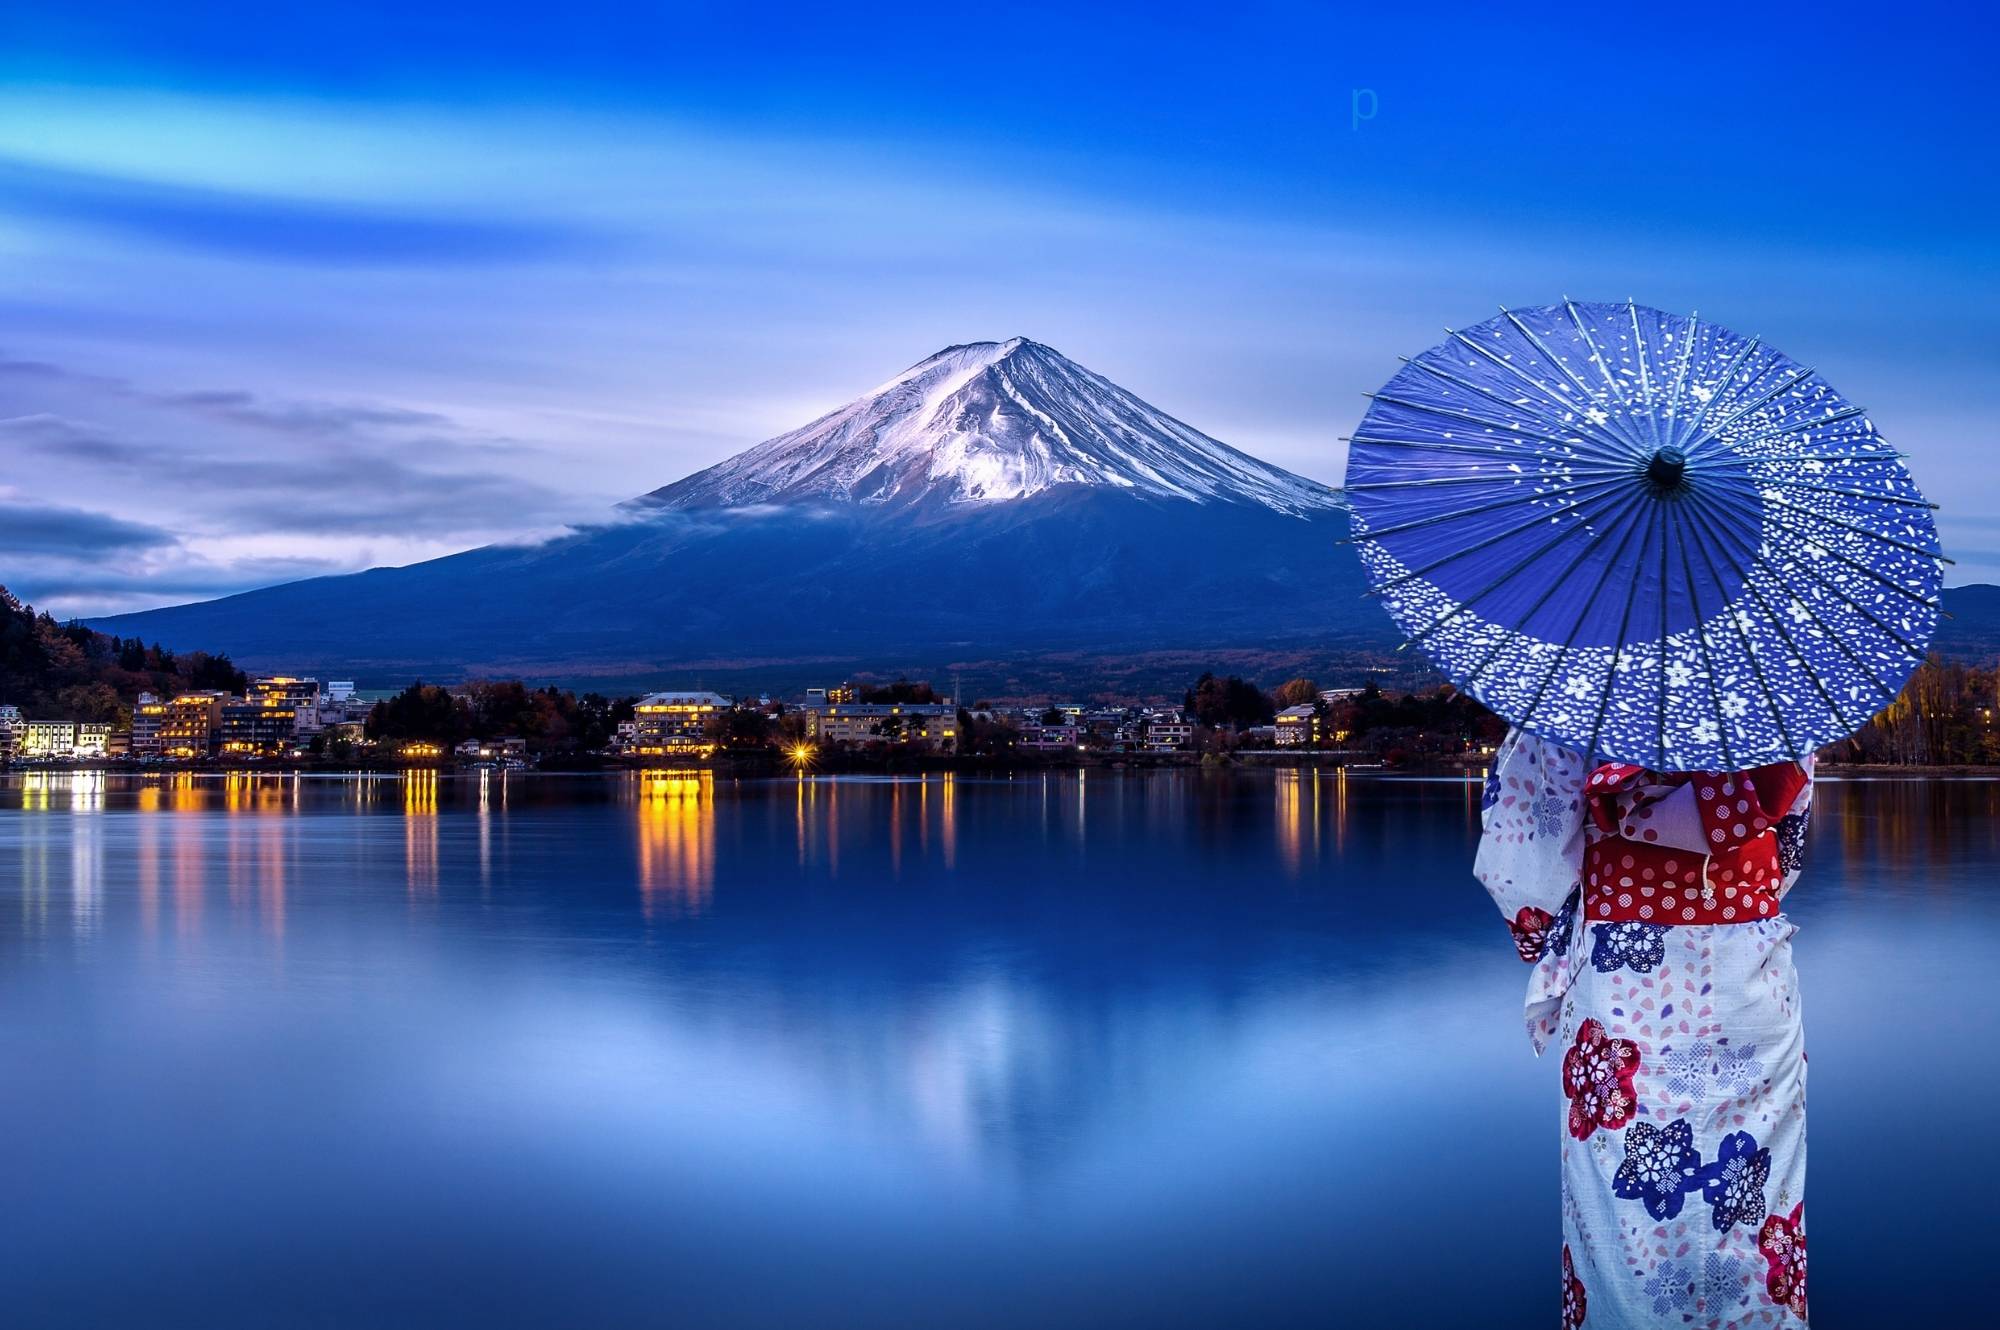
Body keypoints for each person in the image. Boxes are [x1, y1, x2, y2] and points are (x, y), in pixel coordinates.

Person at [1476, 728, 1814, 1328]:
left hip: (1622, 988)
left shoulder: (1583, 692)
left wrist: (1551, 933)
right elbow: (1786, 849)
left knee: (1622, 1220)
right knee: (1754, 1204)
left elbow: (1522, 860)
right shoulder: (1770, 695)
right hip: (1750, 981)